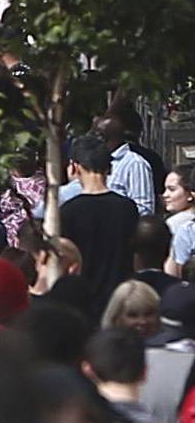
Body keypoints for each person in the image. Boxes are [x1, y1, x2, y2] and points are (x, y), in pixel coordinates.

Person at [59, 134, 142, 320]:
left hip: (83, 305)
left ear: (75, 166)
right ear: (109, 167)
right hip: (120, 302)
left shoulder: (68, 211)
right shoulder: (127, 208)